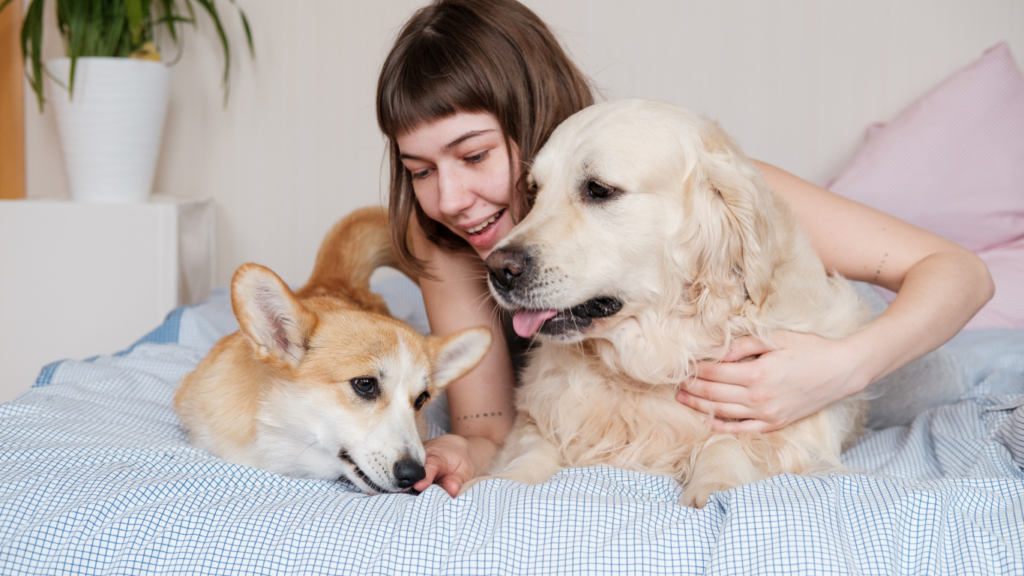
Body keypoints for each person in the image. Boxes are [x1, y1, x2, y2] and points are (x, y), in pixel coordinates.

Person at [375, 0, 994, 498]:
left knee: (930, 376)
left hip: (828, 348)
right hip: (581, 398)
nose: (450, 198)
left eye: (475, 154)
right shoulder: (448, 243)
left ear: (533, 120)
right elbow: (487, 424)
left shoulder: (708, 181)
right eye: (420, 170)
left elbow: (958, 271)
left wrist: (841, 367)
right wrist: (462, 449)